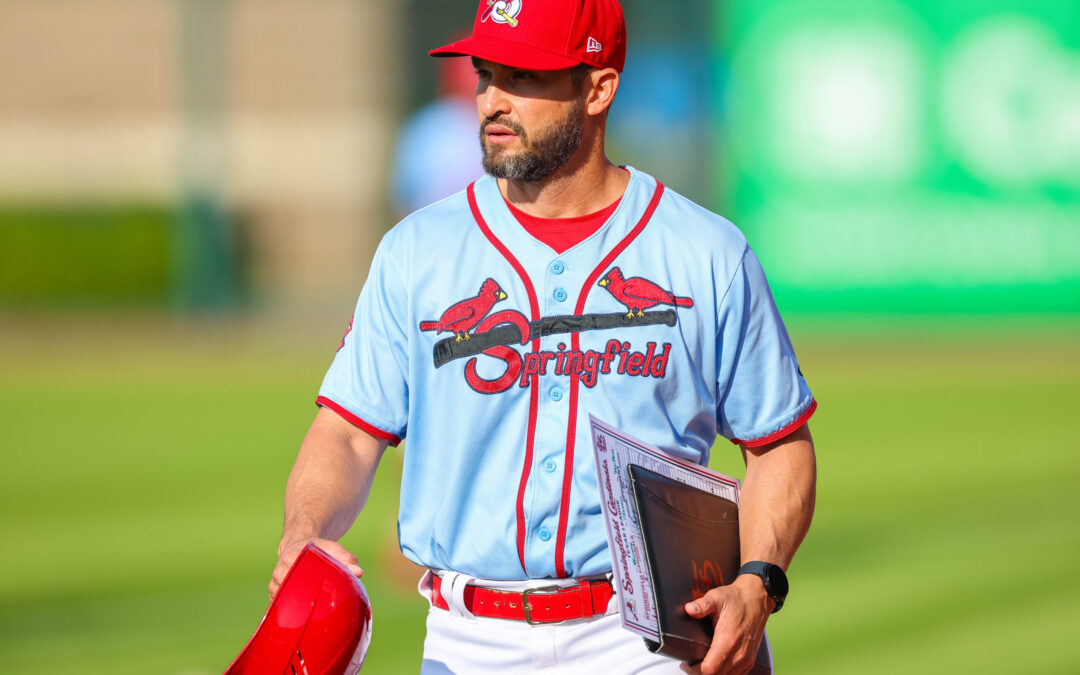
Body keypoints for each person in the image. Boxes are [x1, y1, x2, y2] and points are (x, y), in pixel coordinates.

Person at [269, 1, 817, 674]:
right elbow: (348, 430)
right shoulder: (416, 251)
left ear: (598, 87)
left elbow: (779, 445)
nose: (493, 100)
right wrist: (305, 530)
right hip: (466, 639)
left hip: (644, 639)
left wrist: (758, 582)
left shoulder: (705, 253)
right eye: (486, 73)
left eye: (524, 77)